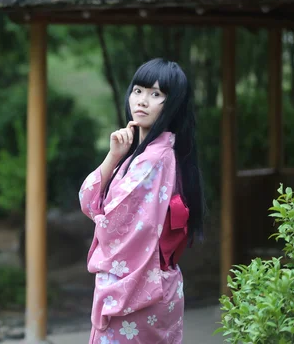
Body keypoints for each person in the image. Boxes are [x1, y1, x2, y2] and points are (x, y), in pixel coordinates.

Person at [79, 58, 206, 343]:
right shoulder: (151, 154)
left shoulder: (153, 160)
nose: (143, 101)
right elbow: (90, 204)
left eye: (156, 94)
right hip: (157, 286)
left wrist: (101, 217)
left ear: (173, 104)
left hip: (137, 291)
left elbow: (110, 222)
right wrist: (113, 156)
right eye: (138, 90)